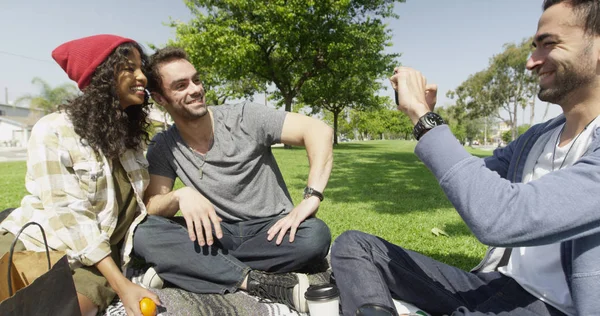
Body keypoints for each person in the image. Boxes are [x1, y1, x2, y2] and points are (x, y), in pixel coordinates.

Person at [331, 0, 600, 315]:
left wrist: (422, 116)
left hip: (553, 308)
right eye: (533, 47)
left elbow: (501, 217)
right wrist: (427, 117)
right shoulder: (539, 138)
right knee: (355, 247)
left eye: (548, 44)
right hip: (497, 285)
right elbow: (472, 182)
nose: (531, 62)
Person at [132, 47, 333, 312]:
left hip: (273, 231)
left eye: (196, 80)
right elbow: (153, 206)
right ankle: (256, 281)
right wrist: (181, 195)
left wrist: (312, 196)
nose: (195, 89)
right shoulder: (164, 146)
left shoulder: (244, 117)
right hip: (215, 232)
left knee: (315, 237)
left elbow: (318, 130)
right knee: (145, 233)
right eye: (181, 85)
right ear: (160, 98)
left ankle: (189, 268)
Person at [0, 34, 160, 316]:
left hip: (96, 266)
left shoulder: (131, 141)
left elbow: (136, 207)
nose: (142, 77)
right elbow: (70, 215)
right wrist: (122, 285)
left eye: (141, 68)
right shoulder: (53, 130)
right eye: (129, 68)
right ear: (101, 76)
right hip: (38, 246)